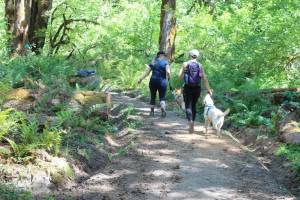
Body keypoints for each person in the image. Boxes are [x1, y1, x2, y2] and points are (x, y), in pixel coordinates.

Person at [179, 49, 212, 133]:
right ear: (197, 56)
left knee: (188, 106)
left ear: (190, 55)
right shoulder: (200, 65)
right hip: (197, 88)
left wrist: (184, 73)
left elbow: (180, 77)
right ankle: (193, 121)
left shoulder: (185, 64)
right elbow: (204, 78)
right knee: (193, 105)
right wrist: (209, 89)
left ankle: (190, 121)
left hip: (187, 87)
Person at [138, 51, 171, 117]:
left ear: (158, 56)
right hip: (162, 82)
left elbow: (147, 73)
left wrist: (140, 79)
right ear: (163, 56)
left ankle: (152, 112)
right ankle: (162, 107)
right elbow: (168, 72)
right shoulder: (166, 63)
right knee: (162, 97)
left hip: (153, 81)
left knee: (153, 96)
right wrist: (169, 78)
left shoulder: (153, 62)